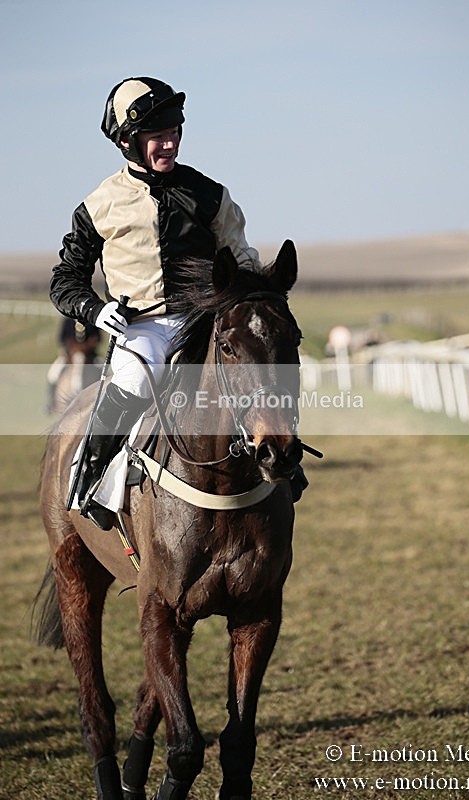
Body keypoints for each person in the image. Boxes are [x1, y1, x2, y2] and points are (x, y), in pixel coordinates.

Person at [50, 76, 306, 530]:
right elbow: (65, 280)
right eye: (158, 135)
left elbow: (241, 256)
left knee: (257, 365)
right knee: (135, 379)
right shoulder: (99, 206)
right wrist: (95, 310)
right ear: (127, 140)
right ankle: (90, 478)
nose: (170, 143)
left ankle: (286, 460)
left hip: (204, 321)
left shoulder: (209, 194)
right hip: (140, 327)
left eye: (174, 132)